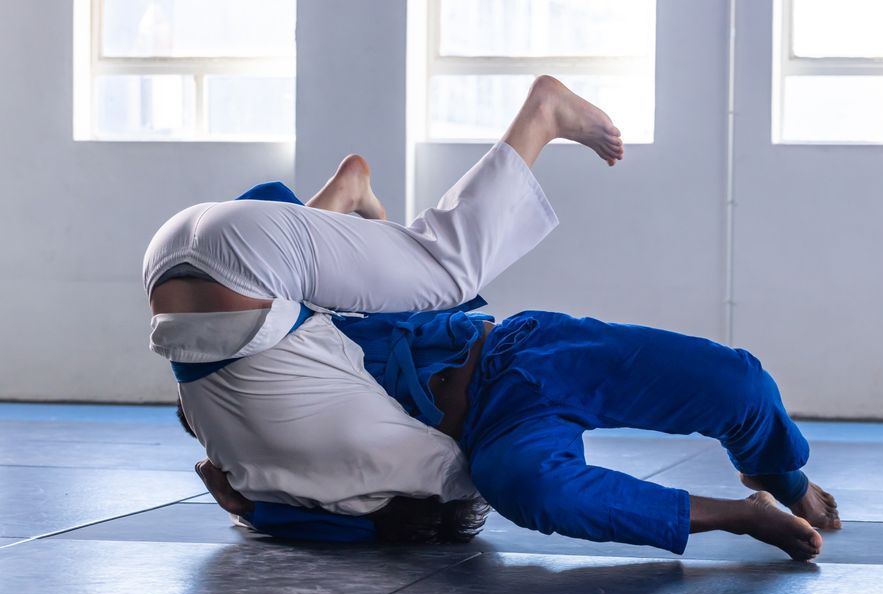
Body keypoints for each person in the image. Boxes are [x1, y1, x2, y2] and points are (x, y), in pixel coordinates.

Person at [148, 76, 840, 562]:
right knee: (532, 485)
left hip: (514, 353)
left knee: (738, 386)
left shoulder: (324, 446)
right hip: (500, 422)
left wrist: (235, 496)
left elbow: (252, 479)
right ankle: (752, 508)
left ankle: (783, 478)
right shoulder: (420, 471)